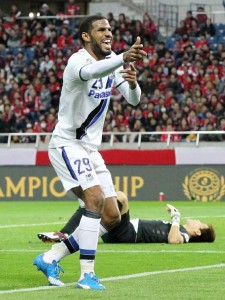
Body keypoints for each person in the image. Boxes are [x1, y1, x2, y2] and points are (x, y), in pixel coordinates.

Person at [33, 15, 147, 290]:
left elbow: (134, 100)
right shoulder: (78, 61)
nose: (108, 33)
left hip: (89, 149)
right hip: (67, 144)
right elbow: (92, 73)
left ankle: (51, 257)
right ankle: (87, 275)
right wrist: (122, 58)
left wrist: (131, 82)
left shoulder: (111, 65)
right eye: (101, 30)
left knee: (112, 215)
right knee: (93, 199)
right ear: (86, 36)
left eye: (110, 29)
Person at [38, 191, 216, 244]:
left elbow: (174, 240)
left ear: (198, 232)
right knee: (95, 208)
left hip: (128, 234)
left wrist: (176, 217)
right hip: (122, 232)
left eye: (199, 223)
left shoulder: (184, 235)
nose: (196, 220)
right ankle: (64, 234)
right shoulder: (181, 230)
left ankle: (93, 198)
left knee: (121, 198)